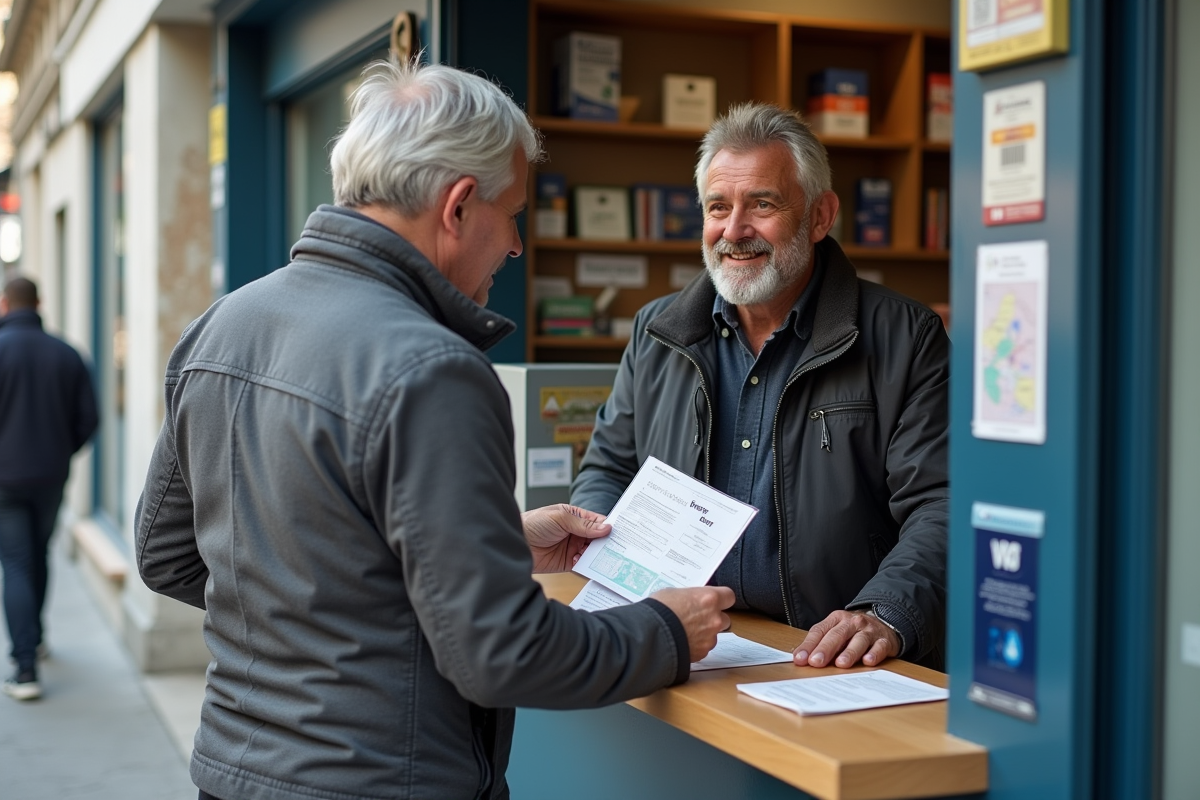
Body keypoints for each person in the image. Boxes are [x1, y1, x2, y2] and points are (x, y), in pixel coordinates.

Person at [135, 59, 733, 800]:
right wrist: (666, 631)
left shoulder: (223, 325)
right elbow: (502, 653)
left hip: (234, 771)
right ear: (456, 207)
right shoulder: (433, 369)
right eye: (510, 213)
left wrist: (488, 543)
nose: (514, 246)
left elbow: (172, 554)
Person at [572, 102, 949, 672]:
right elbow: (608, 471)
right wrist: (610, 574)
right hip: (685, 643)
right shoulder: (658, 332)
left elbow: (941, 502)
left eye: (762, 205)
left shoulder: (906, 336)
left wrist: (887, 611)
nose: (734, 230)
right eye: (718, 207)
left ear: (820, 217)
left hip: (834, 659)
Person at [0, 276, 98, 701]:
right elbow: (88, 419)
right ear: (38, 303)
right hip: (50, 476)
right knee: (37, 554)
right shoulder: (67, 354)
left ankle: (25, 669)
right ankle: (34, 639)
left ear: (5, 304)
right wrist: (60, 452)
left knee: (17, 563)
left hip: (4, 481)